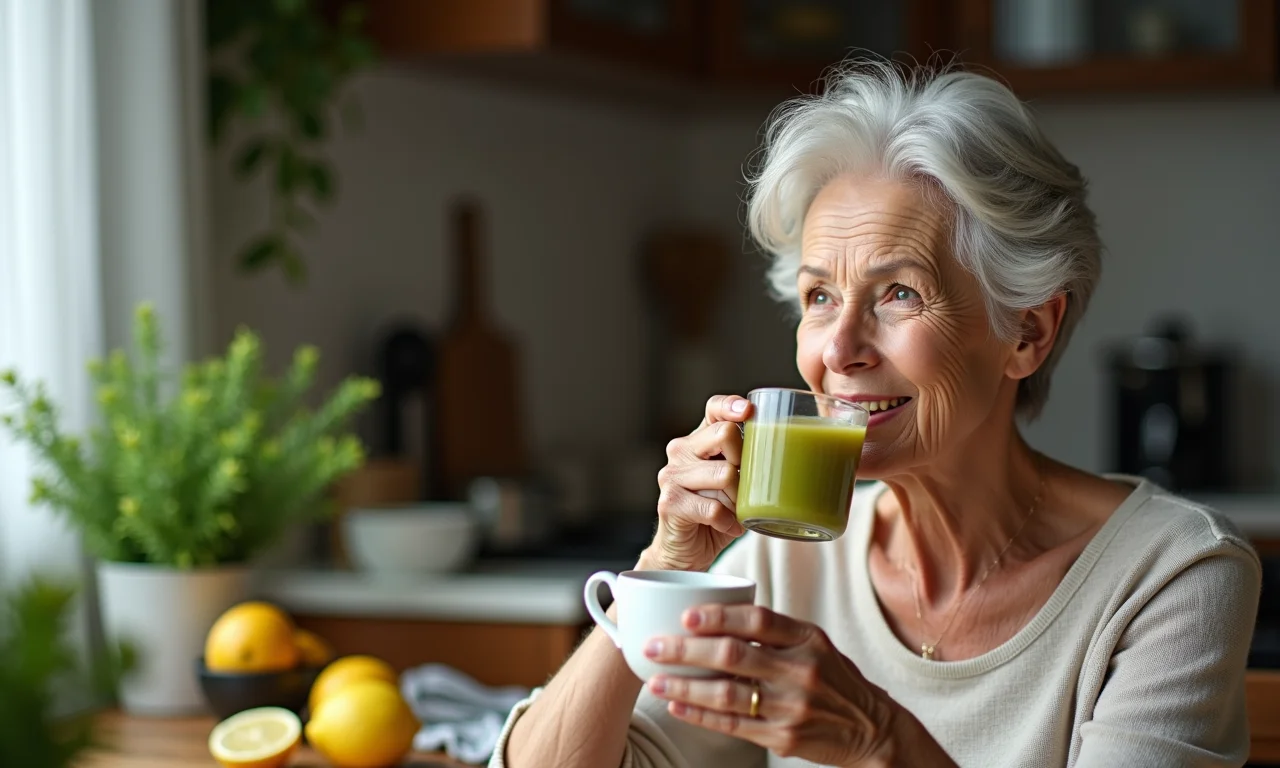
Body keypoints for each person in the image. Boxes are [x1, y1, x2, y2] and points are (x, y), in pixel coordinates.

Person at [489, 60, 1262, 767]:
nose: (840, 348)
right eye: (820, 297)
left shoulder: (1173, 575)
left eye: (898, 293)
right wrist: (665, 567)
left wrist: (879, 739)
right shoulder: (783, 560)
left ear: (1027, 332)